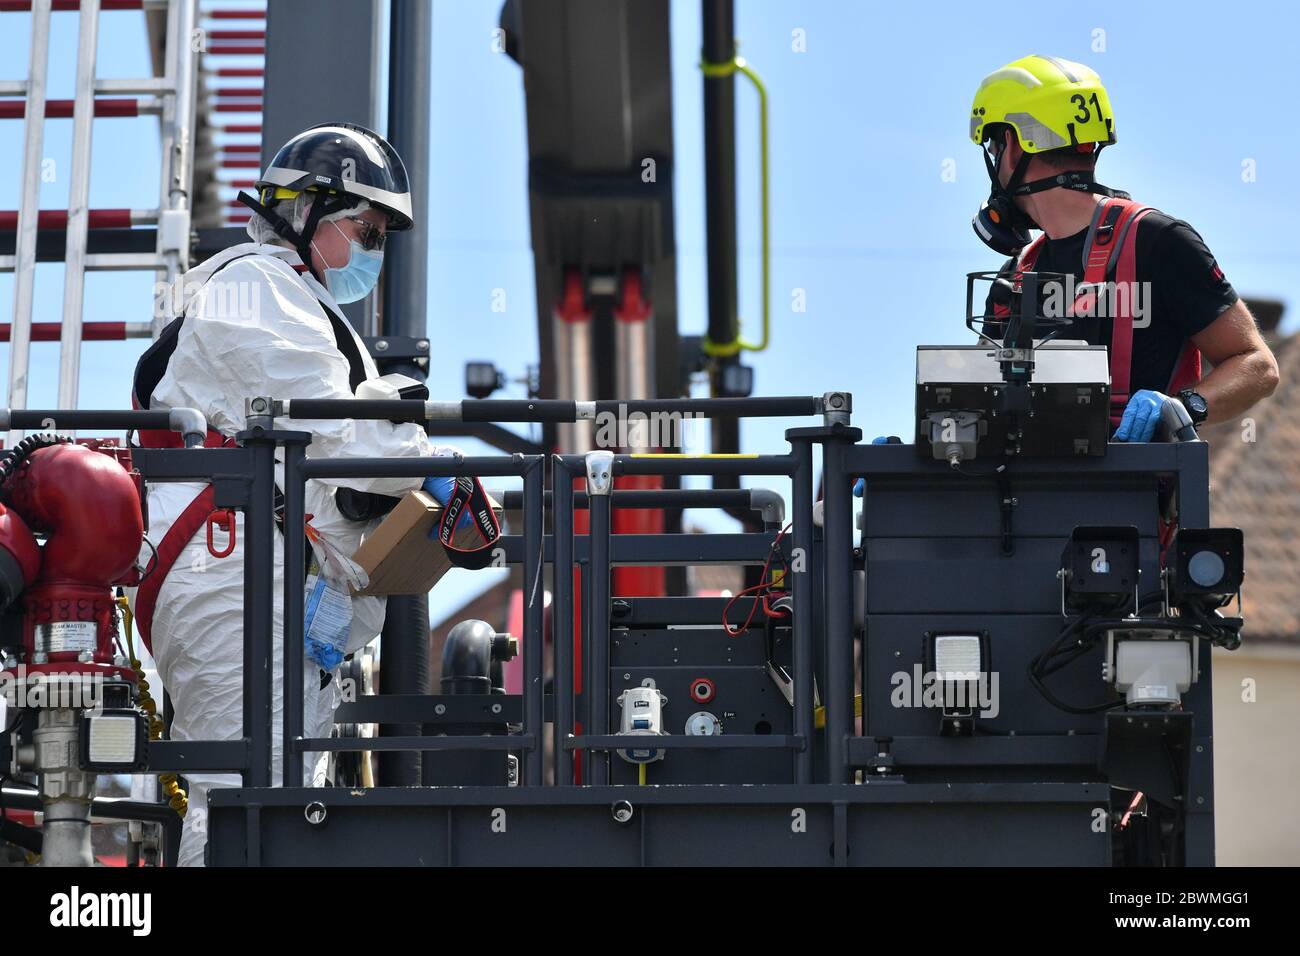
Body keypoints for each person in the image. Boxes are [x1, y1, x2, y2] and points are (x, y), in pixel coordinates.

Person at [128, 123, 485, 865]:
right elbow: (337, 433)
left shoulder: (290, 297)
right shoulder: (252, 289)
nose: (373, 250)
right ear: (306, 211)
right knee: (240, 805)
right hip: (229, 572)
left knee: (287, 808)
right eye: (366, 228)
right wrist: (431, 464)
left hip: (269, 585)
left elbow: (333, 455)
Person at [971, 55, 1279, 440]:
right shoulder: (1014, 279)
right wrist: (913, 463)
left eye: (993, 145)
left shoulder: (1157, 241)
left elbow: (1257, 365)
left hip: (1136, 496)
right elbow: (982, 408)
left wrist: (1183, 408)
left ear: (1012, 147)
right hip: (1028, 498)